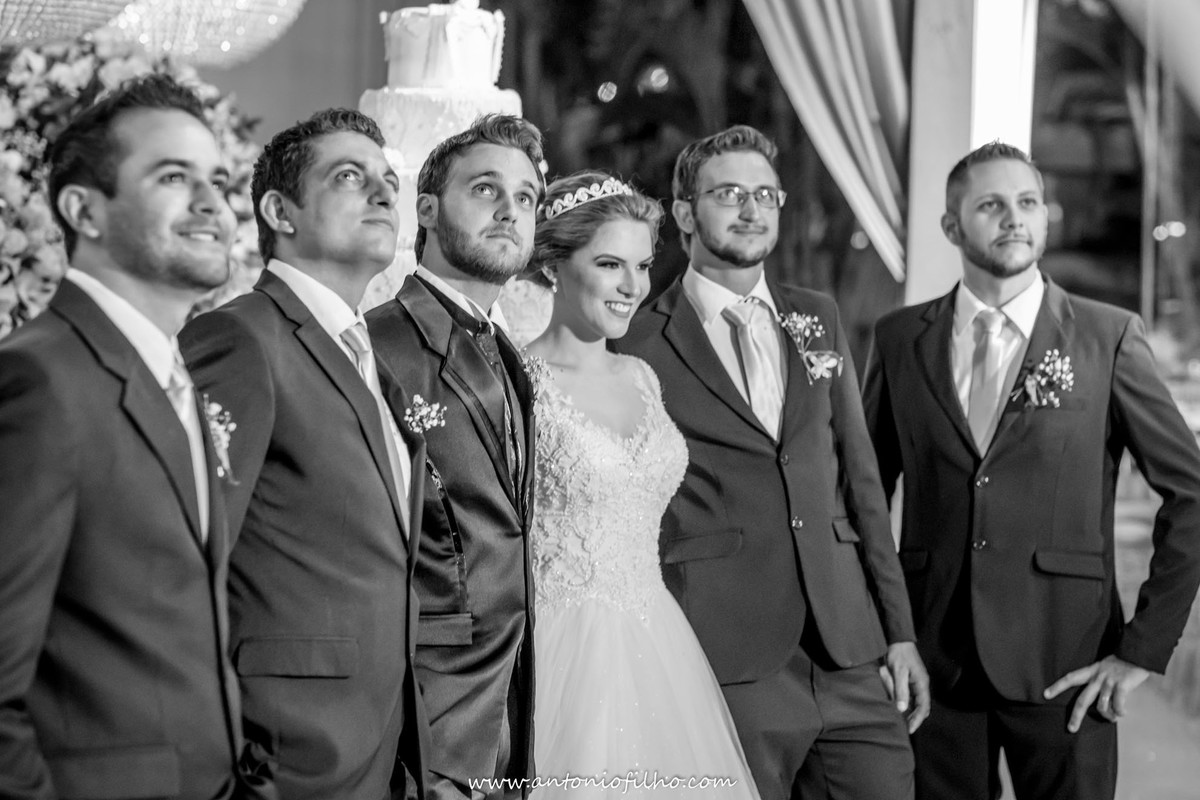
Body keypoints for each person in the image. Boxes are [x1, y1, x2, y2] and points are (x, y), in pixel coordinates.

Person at [862, 141, 1200, 800]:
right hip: (933, 666)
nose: (1014, 217)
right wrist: (888, 634)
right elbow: (865, 500)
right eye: (991, 205)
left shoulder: (1107, 337)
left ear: (1045, 217)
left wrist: (1141, 650)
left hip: (1068, 663)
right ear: (952, 226)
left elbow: (1190, 493)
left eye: (1027, 202)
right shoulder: (900, 339)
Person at [615, 125, 928, 800]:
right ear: (683, 213)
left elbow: (862, 487)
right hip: (727, 651)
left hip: (850, 649)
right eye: (729, 194)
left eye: (765, 194)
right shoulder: (639, 340)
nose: (752, 209)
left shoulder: (817, 317)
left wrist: (898, 632)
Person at [0, 75, 248, 799]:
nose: (212, 205)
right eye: (173, 177)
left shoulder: (177, 376)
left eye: (218, 181)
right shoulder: (40, 381)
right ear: (85, 210)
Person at [179, 108, 428, 799]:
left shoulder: (372, 357)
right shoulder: (241, 340)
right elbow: (187, 559)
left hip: (381, 748)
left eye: (389, 181)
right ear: (278, 212)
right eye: (349, 176)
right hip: (283, 753)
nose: (383, 194)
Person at [522, 170, 761, 798]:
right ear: (553, 265)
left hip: (658, 638)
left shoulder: (642, 377)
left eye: (643, 265)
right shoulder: (519, 383)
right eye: (610, 264)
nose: (634, 287)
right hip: (562, 645)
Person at [367, 114, 542, 800]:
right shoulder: (378, 345)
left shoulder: (510, 355)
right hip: (423, 712)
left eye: (525, 196)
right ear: (428, 209)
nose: (510, 210)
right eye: (486, 189)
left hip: (514, 701)